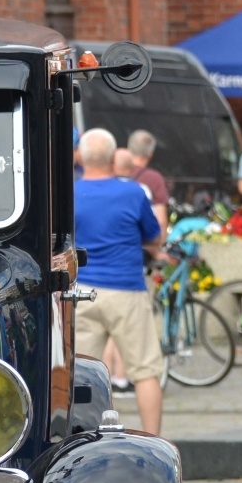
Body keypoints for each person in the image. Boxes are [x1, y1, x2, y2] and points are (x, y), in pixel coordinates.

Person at [72, 128, 165, 435]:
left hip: (83, 292)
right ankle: (153, 440)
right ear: (114, 158)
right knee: (145, 372)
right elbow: (154, 237)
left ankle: (82, 442)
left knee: (82, 375)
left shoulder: (69, 193)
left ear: (81, 158)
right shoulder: (133, 192)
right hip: (126, 290)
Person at [127, 129, 170, 235]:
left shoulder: (114, 173)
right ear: (150, 155)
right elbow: (161, 222)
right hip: (141, 240)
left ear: (128, 150)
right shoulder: (154, 178)